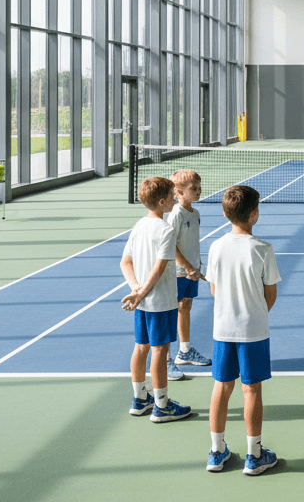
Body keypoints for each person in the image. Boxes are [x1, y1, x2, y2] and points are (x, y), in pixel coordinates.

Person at [205, 185, 283, 475]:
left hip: (223, 329)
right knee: (251, 390)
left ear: (226, 214)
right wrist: (254, 314)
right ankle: (254, 455)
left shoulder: (215, 246)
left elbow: (214, 289)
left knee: (222, 386)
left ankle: (216, 452)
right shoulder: (263, 249)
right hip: (254, 331)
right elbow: (270, 294)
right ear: (254, 214)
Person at [120, 177, 194, 424]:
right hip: (160, 302)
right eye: (172, 196)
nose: (175, 199)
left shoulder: (139, 225)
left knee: (141, 347)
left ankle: (140, 399)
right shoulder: (166, 230)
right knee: (160, 352)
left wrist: (136, 290)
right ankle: (161, 406)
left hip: (141, 302)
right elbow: (159, 269)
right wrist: (141, 292)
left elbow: (125, 262)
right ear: (162, 202)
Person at [167, 170, 210, 379]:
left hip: (191, 271)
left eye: (199, 187)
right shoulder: (176, 214)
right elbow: (170, 245)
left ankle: (184, 351)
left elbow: (191, 243)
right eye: (194, 188)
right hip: (177, 272)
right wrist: (187, 267)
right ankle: (165, 358)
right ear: (178, 192)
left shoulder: (195, 213)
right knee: (169, 312)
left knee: (185, 306)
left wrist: (196, 266)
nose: (198, 191)